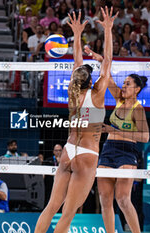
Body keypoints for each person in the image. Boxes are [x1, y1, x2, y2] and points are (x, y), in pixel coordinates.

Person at [34, 7, 117, 233]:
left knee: (51, 207)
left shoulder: (73, 92)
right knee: (68, 213)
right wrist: (108, 29)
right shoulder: (97, 94)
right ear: (92, 80)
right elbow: (107, 60)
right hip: (88, 155)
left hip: (69, 150)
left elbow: (77, 61)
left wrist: (77, 34)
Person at [96, 26, 150, 232]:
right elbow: (107, 75)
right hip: (108, 149)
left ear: (137, 88)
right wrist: (102, 60)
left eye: (128, 83)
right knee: (105, 198)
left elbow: (145, 137)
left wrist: (113, 130)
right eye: (124, 82)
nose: (124, 85)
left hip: (128, 151)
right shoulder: (118, 98)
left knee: (123, 199)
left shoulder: (138, 109)